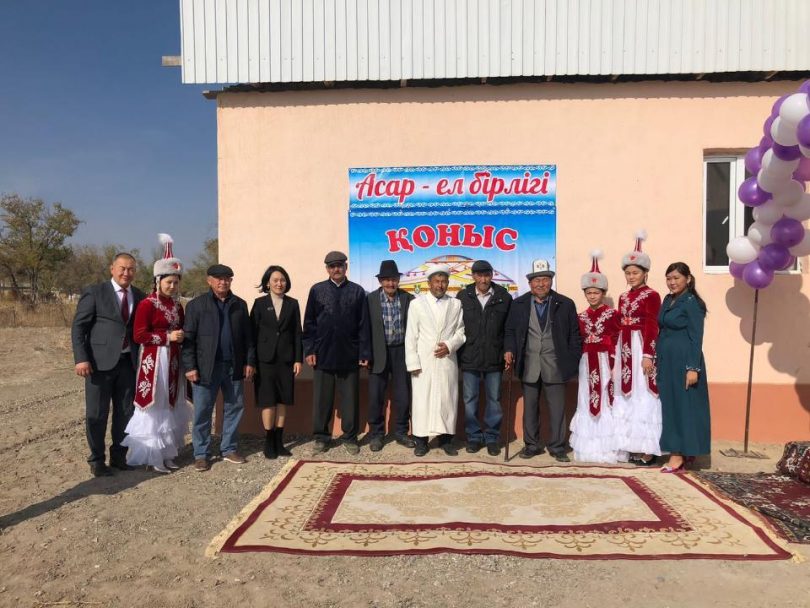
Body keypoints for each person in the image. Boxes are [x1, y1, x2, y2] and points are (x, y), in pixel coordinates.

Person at [72, 252, 146, 477]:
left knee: (125, 413)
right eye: (122, 268)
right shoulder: (95, 292)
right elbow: (79, 327)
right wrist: (81, 358)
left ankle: (119, 457)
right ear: (112, 269)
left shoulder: (139, 296)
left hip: (128, 364)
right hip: (98, 364)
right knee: (97, 414)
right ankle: (96, 460)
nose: (126, 273)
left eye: (131, 269)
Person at [122, 234, 192, 473]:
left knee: (171, 404)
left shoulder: (177, 305)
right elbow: (139, 335)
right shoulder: (147, 304)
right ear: (158, 280)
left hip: (173, 361)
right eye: (168, 282)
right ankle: (153, 456)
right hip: (154, 361)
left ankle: (168, 453)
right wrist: (167, 337)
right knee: (156, 406)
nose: (172, 286)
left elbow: (180, 328)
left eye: (176, 283)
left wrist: (180, 336)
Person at [504, 259, 581, 462]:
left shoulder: (565, 304)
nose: (541, 284)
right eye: (536, 280)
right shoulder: (519, 304)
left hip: (556, 365)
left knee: (557, 409)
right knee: (530, 409)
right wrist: (509, 349)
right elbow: (510, 331)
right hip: (529, 364)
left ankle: (557, 446)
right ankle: (532, 445)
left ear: (551, 281)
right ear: (530, 283)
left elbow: (574, 335)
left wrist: (572, 360)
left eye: (545, 279)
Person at [182, 264, 256, 472]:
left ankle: (229, 448)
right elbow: (188, 340)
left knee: (234, 407)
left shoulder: (239, 305)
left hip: (233, 366)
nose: (223, 282)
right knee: (203, 411)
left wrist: (249, 362)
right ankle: (201, 454)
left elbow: (248, 338)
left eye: (227, 278)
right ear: (209, 280)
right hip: (206, 367)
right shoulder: (196, 305)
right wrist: (190, 366)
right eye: (219, 278)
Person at [303, 251, 371, 455]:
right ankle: (321, 437)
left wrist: (364, 352)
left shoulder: (357, 291)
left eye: (340, 265)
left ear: (346, 267)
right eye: (332, 266)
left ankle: (350, 437)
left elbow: (364, 325)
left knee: (350, 400)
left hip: (349, 354)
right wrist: (310, 349)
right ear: (327, 269)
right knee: (322, 400)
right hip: (323, 354)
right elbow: (309, 323)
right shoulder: (317, 290)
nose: (336, 269)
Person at [611, 231, 663, 466]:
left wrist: (648, 354)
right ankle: (630, 445)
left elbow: (652, 324)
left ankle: (648, 449)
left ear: (645, 273)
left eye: (635, 273)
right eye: (628, 273)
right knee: (626, 394)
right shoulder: (623, 297)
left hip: (641, 345)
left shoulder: (652, 295)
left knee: (643, 393)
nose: (631, 277)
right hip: (625, 347)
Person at [405, 264, 466, 457]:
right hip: (424, 362)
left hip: (447, 360)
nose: (440, 285)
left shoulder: (455, 304)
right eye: (437, 281)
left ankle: (446, 440)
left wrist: (449, 345)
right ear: (429, 283)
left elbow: (461, 332)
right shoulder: (417, 304)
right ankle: (421, 441)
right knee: (422, 401)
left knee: (447, 400)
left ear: (448, 283)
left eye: (444, 281)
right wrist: (413, 363)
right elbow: (411, 335)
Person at [657, 262, 711, 473]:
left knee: (684, 407)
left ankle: (679, 454)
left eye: (676, 278)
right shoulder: (668, 299)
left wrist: (692, 367)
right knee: (670, 406)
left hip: (684, 361)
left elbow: (696, 337)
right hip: (667, 361)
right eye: (669, 278)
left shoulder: (692, 302)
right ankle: (679, 451)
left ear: (687, 279)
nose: (672, 282)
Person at [569, 251, 622, 463]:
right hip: (586, 363)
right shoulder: (580, 317)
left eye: (596, 292)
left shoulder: (613, 314)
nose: (592, 296)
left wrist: (615, 363)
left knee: (606, 399)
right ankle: (588, 447)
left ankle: (607, 448)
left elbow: (619, 339)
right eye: (589, 292)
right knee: (586, 398)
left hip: (606, 362)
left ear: (603, 292)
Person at [456, 259, 512, 456]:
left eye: (486, 275)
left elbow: (509, 328)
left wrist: (508, 349)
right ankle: (473, 437)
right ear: (473, 276)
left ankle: (492, 438)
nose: (483, 279)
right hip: (469, 356)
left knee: (494, 399)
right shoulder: (463, 296)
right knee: (469, 399)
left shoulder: (504, 297)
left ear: (491, 275)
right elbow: (456, 327)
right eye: (479, 275)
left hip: (494, 356)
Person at [250, 265, 303, 459]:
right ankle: (269, 440)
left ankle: (279, 441)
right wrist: (251, 362)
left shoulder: (292, 304)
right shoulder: (259, 304)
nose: (279, 283)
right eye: (275, 280)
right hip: (264, 360)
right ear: (268, 283)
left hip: (286, 359)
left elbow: (297, 333)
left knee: (282, 399)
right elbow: (252, 334)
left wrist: (298, 359)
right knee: (268, 400)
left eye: (282, 280)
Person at [366, 260, 415, 452]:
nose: (390, 283)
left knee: (403, 395)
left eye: (393, 279)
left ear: (398, 280)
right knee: (376, 396)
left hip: (401, 352)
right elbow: (364, 329)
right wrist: (365, 353)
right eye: (386, 280)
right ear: (380, 281)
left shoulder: (408, 298)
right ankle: (376, 434)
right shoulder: (370, 299)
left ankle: (401, 432)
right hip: (378, 352)